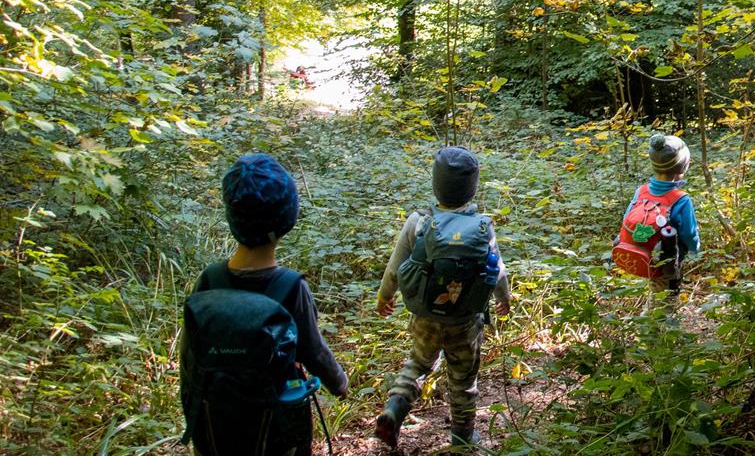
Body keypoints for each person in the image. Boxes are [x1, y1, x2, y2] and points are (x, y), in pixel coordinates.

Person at [180, 153, 349, 456]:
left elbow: (190, 360)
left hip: (215, 424)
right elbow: (314, 351)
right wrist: (339, 383)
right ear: (287, 218)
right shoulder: (291, 287)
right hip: (276, 426)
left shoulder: (210, 279)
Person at [374, 146, 513, 449]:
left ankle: (395, 408)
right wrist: (505, 298)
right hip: (465, 321)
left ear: (436, 184)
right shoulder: (482, 226)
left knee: (418, 362)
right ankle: (463, 436)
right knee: (463, 380)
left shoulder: (418, 222)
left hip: (425, 317)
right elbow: (497, 269)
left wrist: (384, 297)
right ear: (472, 188)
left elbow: (395, 268)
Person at [612, 134, 701, 301]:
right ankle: (653, 326)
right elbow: (689, 234)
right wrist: (695, 249)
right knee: (665, 299)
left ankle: (651, 322)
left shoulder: (642, 191)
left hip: (641, 253)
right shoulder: (681, 199)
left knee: (656, 288)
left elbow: (626, 218)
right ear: (681, 168)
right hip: (665, 260)